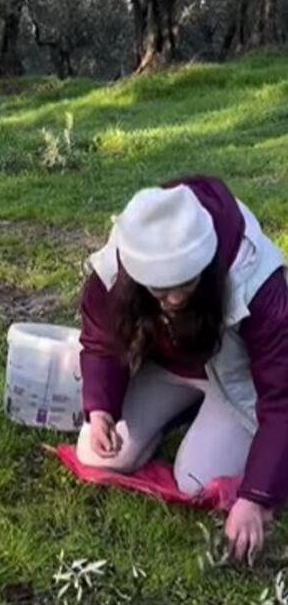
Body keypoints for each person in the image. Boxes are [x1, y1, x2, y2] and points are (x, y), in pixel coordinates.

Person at [76, 176, 288, 564]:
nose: (174, 299)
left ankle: (212, 423)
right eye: (160, 290)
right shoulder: (119, 262)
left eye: (186, 284)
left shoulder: (258, 277)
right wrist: (101, 406)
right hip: (168, 368)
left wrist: (257, 497)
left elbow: (283, 395)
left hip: (237, 381)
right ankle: (182, 413)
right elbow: (100, 342)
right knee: (96, 454)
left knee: (197, 479)